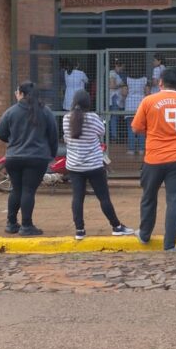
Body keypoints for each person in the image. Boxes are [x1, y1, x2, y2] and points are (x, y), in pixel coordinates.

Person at [131, 68, 176, 251]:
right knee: (175, 200)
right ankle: (169, 244)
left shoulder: (149, 101)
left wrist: (154, 129)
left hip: (154, 158)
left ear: (160, 83)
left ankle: (144, 234)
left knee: (148, 197)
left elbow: (136, 128)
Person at [63, 90, 134, 240]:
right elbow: (101, 132)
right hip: (94, 165)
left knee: (77, 197)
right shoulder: (93, 118)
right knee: (103, 197)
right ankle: (116, 226)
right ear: (88, 103)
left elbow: (67, 136)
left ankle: (80, 230)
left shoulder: (66, 118)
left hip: (74, 166)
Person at [0, 81, 59, 236]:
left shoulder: (11, 112)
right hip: (37, 157)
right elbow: (53, 135)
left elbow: (0, 133)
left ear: (22, 94)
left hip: (13, 157)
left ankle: (11, 224)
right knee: (28, 191)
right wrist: (51, 154)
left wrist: (13, 142)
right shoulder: (45, 112)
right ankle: (26, 225)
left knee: (16, 189)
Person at [125, 72, 149, 155]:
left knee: (130, 129)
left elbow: (124, 93)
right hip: (141, 104)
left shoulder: (127, 79)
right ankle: (142, 149)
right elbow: (147, 92)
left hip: (130, 105)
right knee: (141, 129)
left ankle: (131, 149)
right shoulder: (144, 79)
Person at [108, 59, 127, 142]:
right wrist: (121, 84)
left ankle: (117, 135)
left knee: (119, 117)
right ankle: (114, 136)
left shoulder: (119, 74)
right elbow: (112, 86)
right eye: (121, 67)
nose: (122, 69)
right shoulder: (112, 73)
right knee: (114, 117)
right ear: (117, 66)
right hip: (114, 97)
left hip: (120, 98)